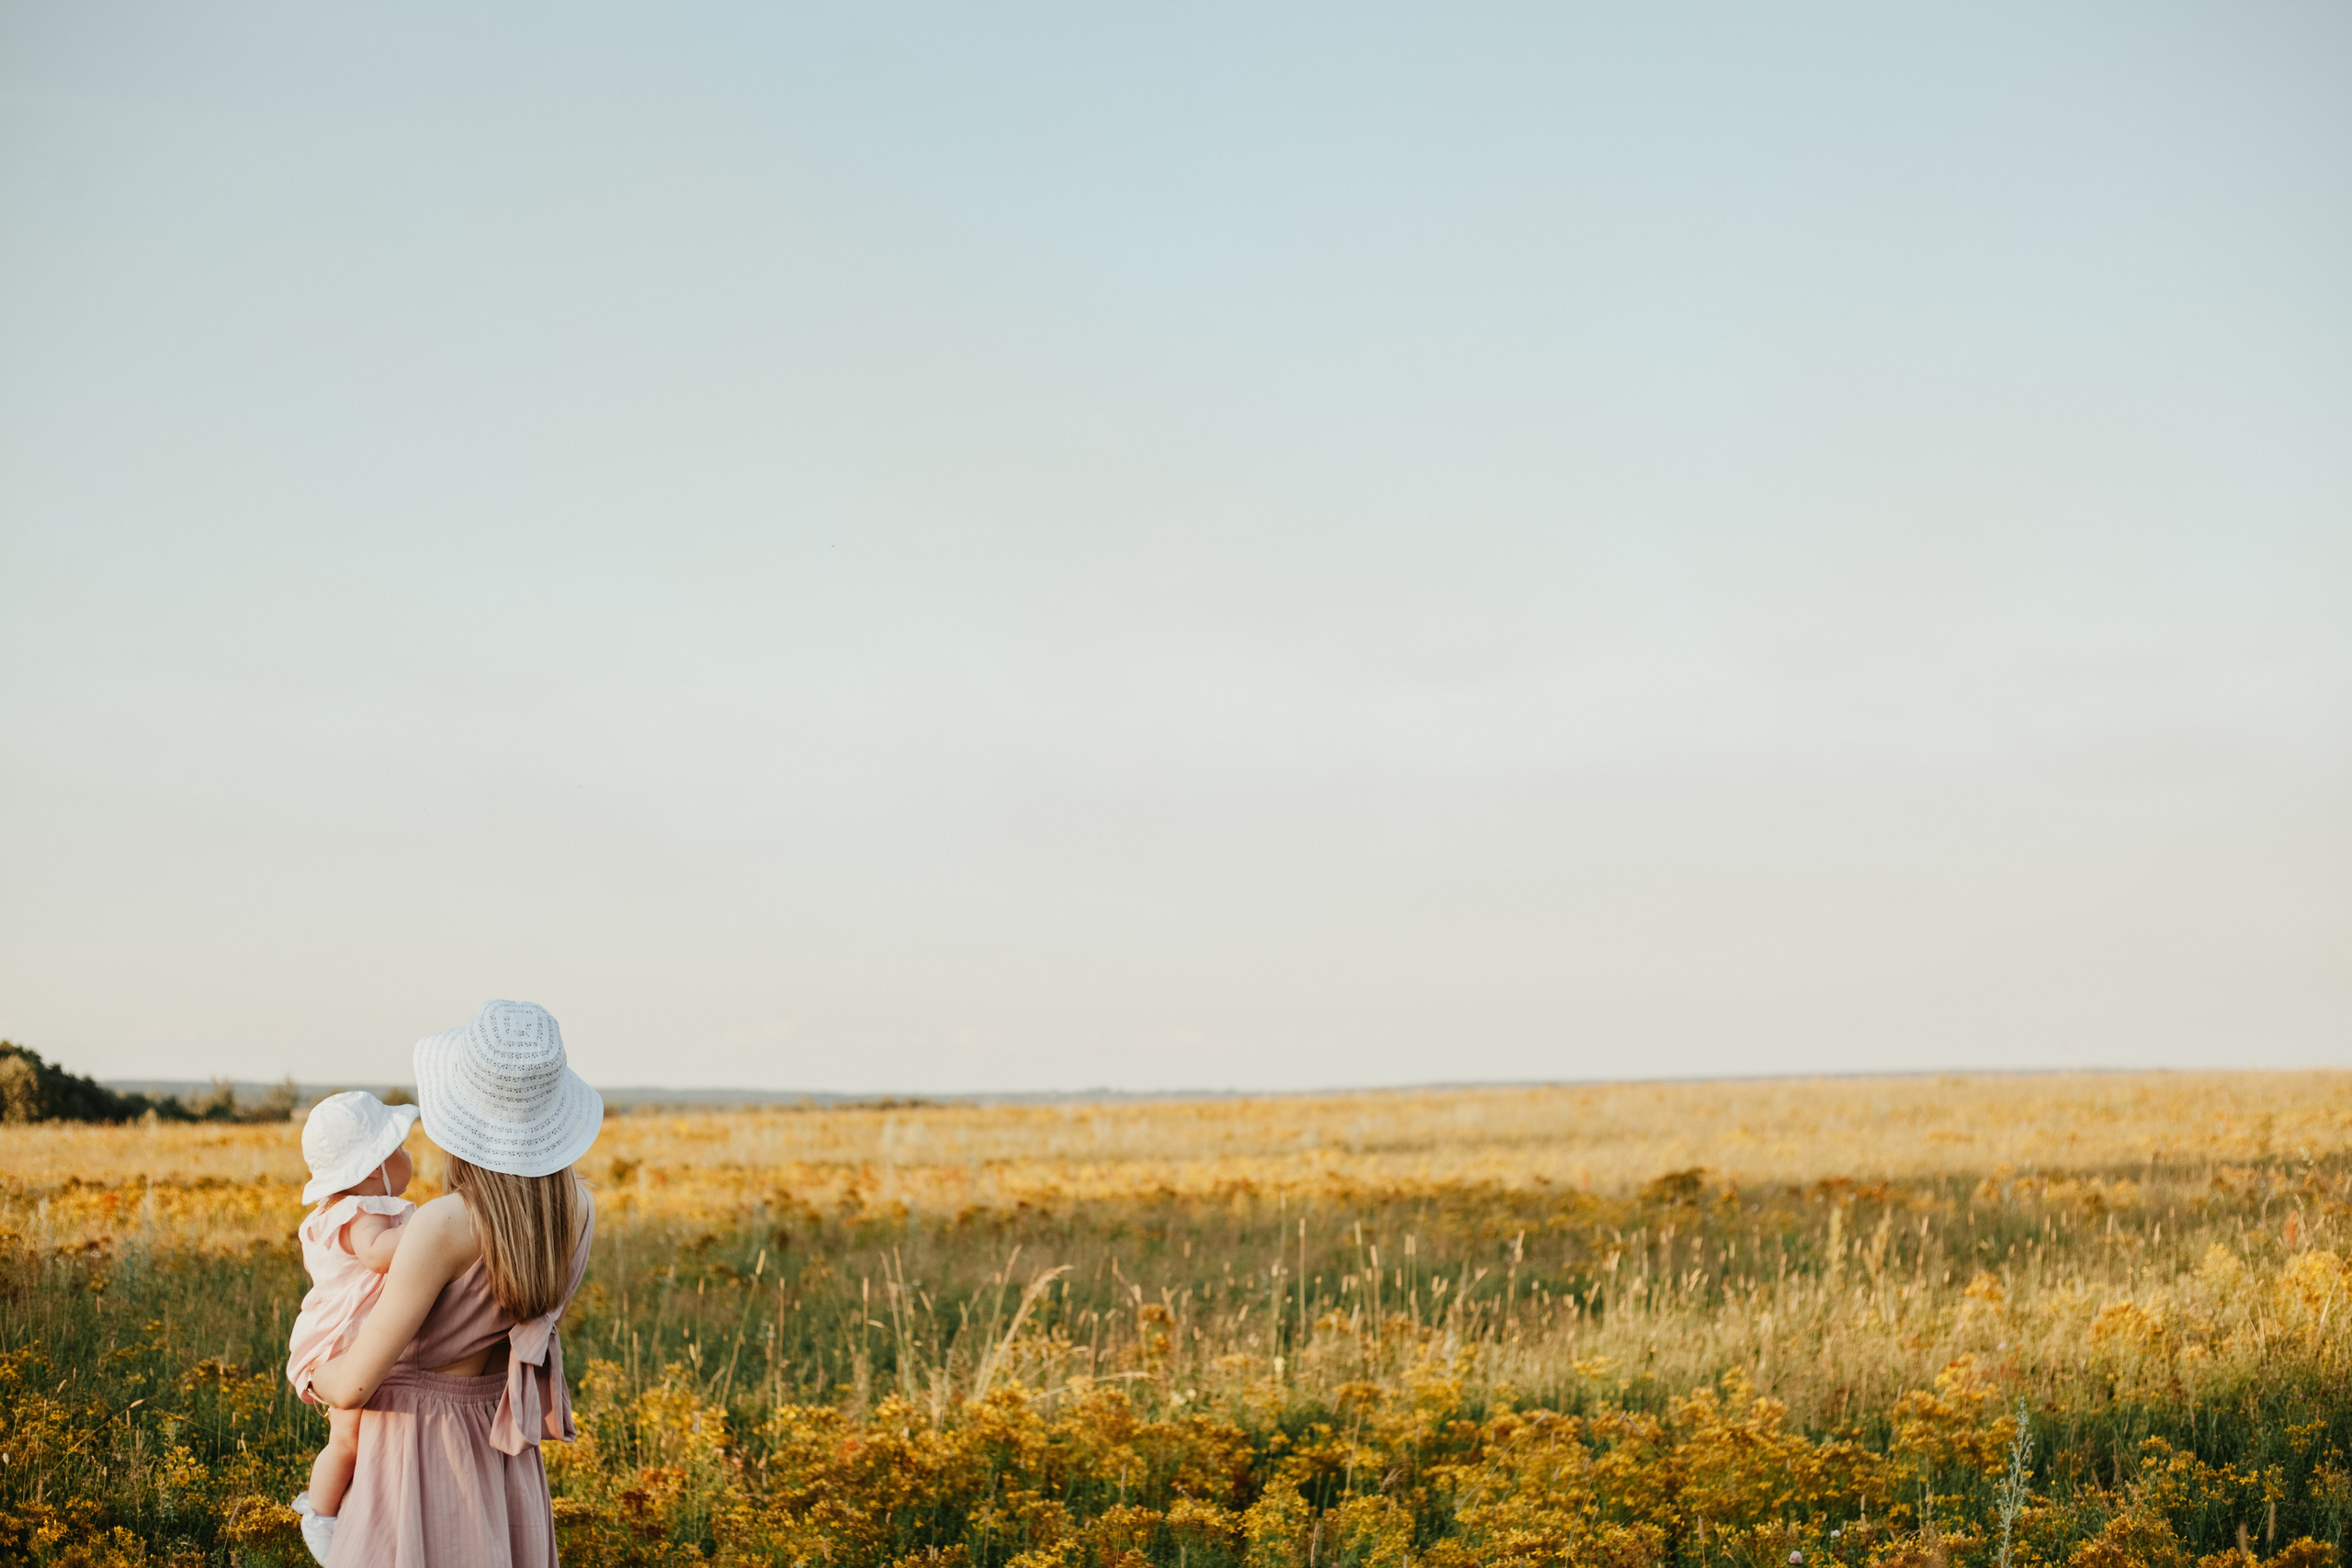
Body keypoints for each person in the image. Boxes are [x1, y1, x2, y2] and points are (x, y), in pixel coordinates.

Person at [307, 1000, 604, 1568]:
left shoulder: (442, 1223)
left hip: (418, 1453)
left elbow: (350, 1389)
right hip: (503, 1450)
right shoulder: (578, 1210)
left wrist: (311, 1364)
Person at [287, 1091, 423, 1562]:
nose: (408, 1156)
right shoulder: (361, 1213)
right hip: (342, 1343)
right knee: (346, 1440)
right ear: (371, 1169)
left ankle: (346, 1509)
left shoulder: (345, 1208)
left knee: (358, 1438)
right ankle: (320, 1516)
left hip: (348, 1336)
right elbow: (376, 1255)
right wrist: (425, 1229)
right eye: (398, 1148)